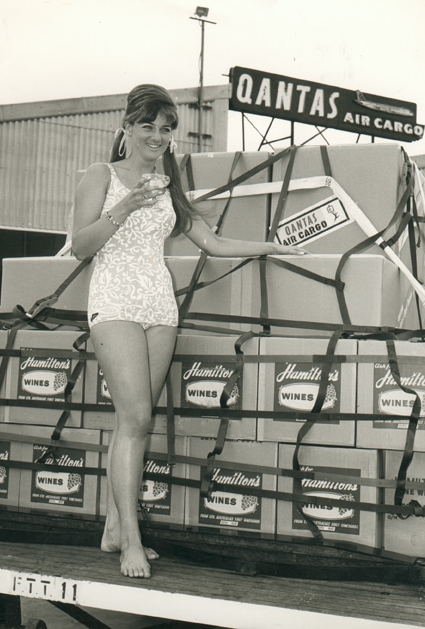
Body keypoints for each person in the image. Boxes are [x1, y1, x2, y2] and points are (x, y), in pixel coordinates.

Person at [71, 84, 307, 578]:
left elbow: (213, 243)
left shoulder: (170, 182)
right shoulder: (101, 175)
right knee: (136, 418)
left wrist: (273, 248)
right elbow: (80, 246)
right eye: (147, 127)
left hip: (160, 304)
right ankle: (132, 542)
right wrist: (128, 204)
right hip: (113, 302)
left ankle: (114, 528)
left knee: (135, 420)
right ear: (127, 127)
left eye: (166, 129)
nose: (157, 137)